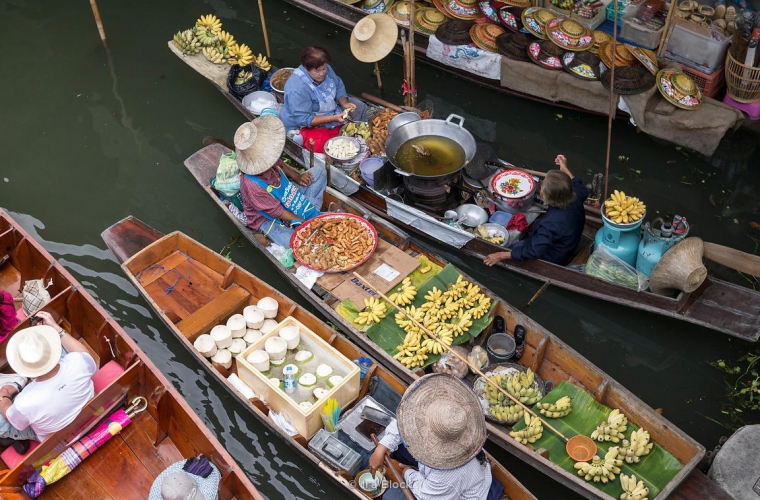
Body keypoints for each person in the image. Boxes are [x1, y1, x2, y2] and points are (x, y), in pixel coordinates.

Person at [368, 373, 502, 500]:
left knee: (390, 497)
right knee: (400, 447)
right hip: (444, 477)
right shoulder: (445, 417)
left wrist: (408, 472)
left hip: (451, 492)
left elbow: (425, 495)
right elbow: (402, 423)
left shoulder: (446, 477)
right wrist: (381, 448)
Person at [0, 311, 97, 443]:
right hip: (86, 411)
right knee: (66, 347)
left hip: (55, 435)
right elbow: (83, 353)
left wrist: (4, 395)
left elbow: (10, 417)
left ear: (24, 369)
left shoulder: (24, 402)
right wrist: (55, 328)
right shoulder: (78, 361)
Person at [235, 115, 327, 249]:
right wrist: (305, 222)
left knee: (319, 171)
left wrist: (297, 177)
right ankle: (309, 210)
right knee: (298, 244)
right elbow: (278, 212)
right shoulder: (252, 186)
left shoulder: (267, 155)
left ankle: (308, 209)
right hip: (269, 218)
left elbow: (280, 164)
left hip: (287, 195)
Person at [484, 154, 588, 267]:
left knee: (514, 249)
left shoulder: (551, 224)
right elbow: (576, 182)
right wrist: (564, 167)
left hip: (554, 257)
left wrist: (501, 255)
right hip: (569, 240)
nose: (541, 187)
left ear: (550, 199)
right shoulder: (575, 194)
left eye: (543, 187)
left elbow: (534, 251)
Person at [280, 46, 369, 151]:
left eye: (324, 68)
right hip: (303, 122)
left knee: (361, 107)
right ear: (306, 68)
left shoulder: (324, 67)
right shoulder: (297, 88)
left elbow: (338, 85)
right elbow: (304, 119)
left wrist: (344, 104)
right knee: (330, 145)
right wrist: (333, 118)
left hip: (330, 110)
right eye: (317, 71)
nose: (322, 73)